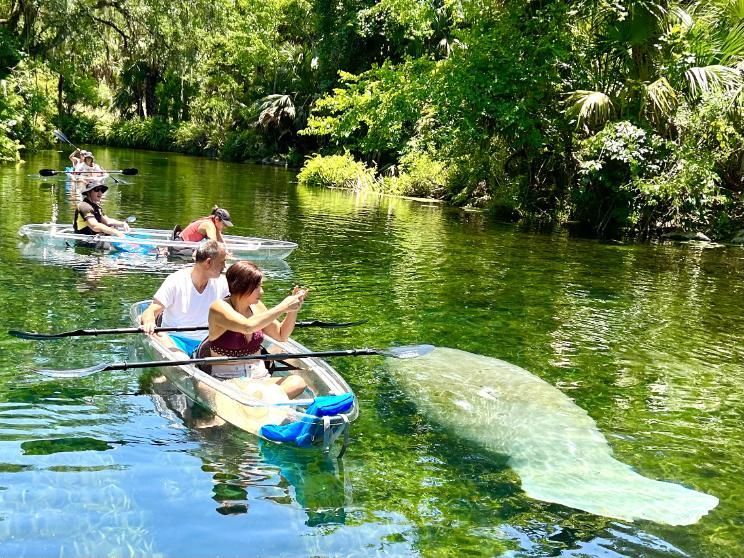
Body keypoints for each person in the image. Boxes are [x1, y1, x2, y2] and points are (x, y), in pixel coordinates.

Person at [203, 261, 308, 399]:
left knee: (297, 382)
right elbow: (247, 327)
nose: (262, 292)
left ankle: (261, 404)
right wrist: (283, 306)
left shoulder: (258, 307)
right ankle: (264, 404)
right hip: (227, 382)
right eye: (257, 287)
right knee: (243, 396)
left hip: (260, 379)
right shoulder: (219, 307)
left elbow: (282, 335)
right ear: (242, 286)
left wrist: (293, 309)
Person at [141, 240, 229, 355]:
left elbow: (240, 303)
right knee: (180, 359)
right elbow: (151, 311)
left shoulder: (223, 283)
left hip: (207, 342)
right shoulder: (176, 280)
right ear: (208, 262)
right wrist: (149, 323)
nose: (224, 266)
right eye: (222, 262)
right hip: (174, 339)